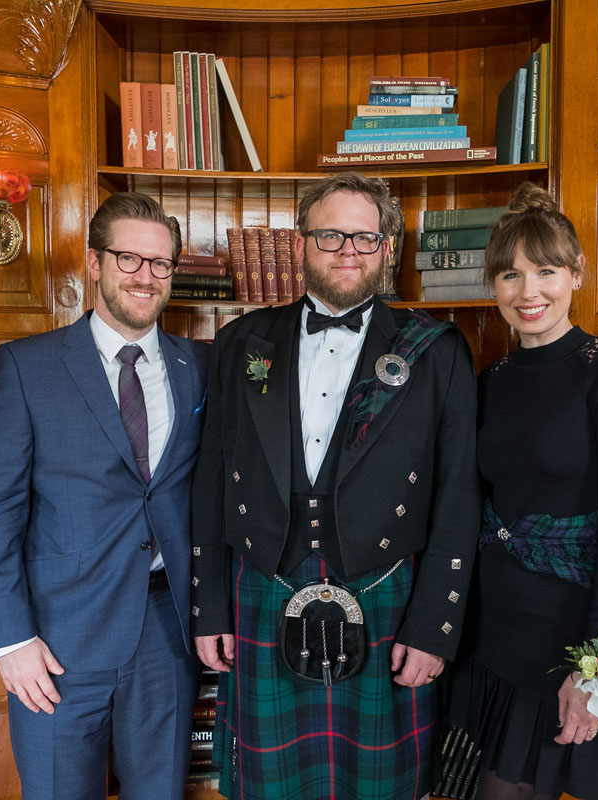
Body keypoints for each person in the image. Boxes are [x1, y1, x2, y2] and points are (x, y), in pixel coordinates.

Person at [191, 172, 480, 800]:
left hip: (385, 589)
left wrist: (433, 627)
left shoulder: (435, 350)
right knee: (272, 784)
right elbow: (211, 481)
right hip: (264, 578)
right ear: (301, 244)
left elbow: (459, 496)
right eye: (330, 235)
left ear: (386, 249)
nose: (348, 250)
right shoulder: (241, 342)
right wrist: (208, 605)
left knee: (379, 782)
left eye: (364, 238)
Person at [0, 192, 208, 799]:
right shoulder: (27, 367)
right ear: (95, 263)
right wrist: (11, 640)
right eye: (129, 258)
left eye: (160, 263)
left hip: (167, 631)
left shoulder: (200, 366)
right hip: (56, 639)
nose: (145, 276)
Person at [445, 183, 598, 800]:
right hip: (488, 637)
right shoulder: (491, 380)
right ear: (493, 284)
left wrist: (596, 673)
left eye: (545, 271)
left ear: (576, 274)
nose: (528, 291)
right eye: (510, 275)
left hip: (564, 647)